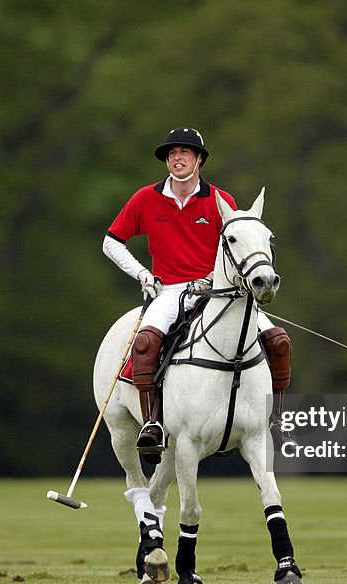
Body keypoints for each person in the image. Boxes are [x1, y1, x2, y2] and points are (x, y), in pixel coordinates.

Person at [102, 128, 292, 464]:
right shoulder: (146, 198)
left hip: (218, 290)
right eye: (172, 153)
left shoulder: (220, 200)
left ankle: (273, 420)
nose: (177, 158)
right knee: (145, 343)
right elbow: (112, 241)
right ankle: (152, 424)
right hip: (170, 291)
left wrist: (220, 279)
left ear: (199, 159)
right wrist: (142, 273)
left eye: (185, 152)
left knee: (277, 341)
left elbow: (239, 245)